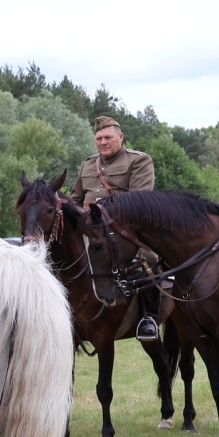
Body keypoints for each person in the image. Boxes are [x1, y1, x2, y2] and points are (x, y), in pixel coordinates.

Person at [72, 115, 159, 338]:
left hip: (125, 234)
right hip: (90, 234)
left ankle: (149, 318)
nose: (103, 142)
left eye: (108, 137)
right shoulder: (89, 164)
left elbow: (140, 202)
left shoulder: (138, 161)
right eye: (99, 138)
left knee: (149, 260)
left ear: (120, 137)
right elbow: (75, 198)